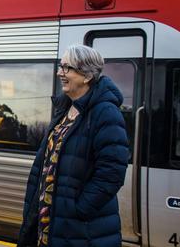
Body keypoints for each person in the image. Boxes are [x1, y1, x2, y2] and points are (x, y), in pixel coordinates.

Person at [17, 45, 130, 247]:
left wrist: (78, 210)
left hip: (80, 229)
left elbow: (112, 173)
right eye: (61, 66)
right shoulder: (65, 108)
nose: (60, 72)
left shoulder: (105, 112)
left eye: (66, 68)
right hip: (50, 223)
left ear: (86, 76)